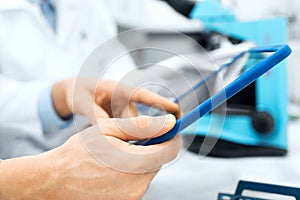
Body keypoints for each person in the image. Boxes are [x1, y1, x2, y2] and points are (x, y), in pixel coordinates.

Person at [0, 0, 137, 158]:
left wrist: (118, 96)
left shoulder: (87, 5)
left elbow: (113, 58)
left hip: (101, 143)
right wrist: (56, 98)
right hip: (21, 155)